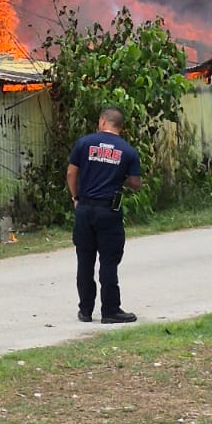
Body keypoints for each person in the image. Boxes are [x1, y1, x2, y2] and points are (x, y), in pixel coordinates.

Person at [66, 105, 142, 324]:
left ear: (102, 122)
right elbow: (136, 183)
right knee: (108, 261)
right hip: (109, 210)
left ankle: (85, 310)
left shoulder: (84, 143)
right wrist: (121, 176)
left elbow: (71, 172)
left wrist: (76, 197)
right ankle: (110, 311)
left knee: (85, 260)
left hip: (84, 209)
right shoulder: (127, 151)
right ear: (120, 127)